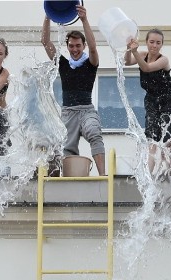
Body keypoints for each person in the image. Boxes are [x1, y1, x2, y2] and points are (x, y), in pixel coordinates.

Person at [41, 5, 106, 176]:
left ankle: (103, 175)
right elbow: (45, 42)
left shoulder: (90, 63)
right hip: (68, 112)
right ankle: (69, 180)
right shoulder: (63, 64)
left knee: (94, 131)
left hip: (86, 110)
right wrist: (48, 16)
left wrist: (84, 20)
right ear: (68, 47)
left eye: (78, 46)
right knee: (65, 147)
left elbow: (93, 48)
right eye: (71, 46)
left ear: (83, 46)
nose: (75, 49)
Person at [124, 29, 171, 174]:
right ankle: (149, 173)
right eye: (151, 42)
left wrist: (135, 52)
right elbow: (126, 61)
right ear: (146, 42)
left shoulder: (163, 60)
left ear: (162, 45)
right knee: (151, 137)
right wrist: (128, 49)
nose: (154, 46)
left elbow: (147, 68)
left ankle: (168, 172)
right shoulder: (143, 54)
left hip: (168, 99)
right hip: (151, 99)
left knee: (167, 139)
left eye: (158, 43)